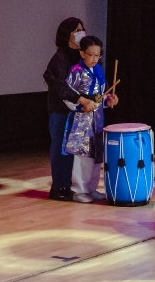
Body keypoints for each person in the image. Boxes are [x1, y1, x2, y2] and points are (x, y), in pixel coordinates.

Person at [62, 35, 117, 202]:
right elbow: (66, 95)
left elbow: (99, 96)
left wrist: (108, 100)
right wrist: (81, 106)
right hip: (81, 121)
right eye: (91, 55)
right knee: (83, 157)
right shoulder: (76, 71)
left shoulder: (98, 70)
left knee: (97, 156)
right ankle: (79, 191)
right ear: (82, 53)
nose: (94, 59)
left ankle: (91, 189)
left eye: (97, 55)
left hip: (97, 119)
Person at [43, 18, 87, 201]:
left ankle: (72, 185)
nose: (81, 33)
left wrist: (105, 96)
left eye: (82, 29)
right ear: (67, 34)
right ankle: (59, 186)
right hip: (61, 111)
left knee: (75, 151)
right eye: (77, 30)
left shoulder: (83, 56)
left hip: (79, 111)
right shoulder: (60, 58)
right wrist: (79, 98)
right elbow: (59, 86)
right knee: (61, 149)